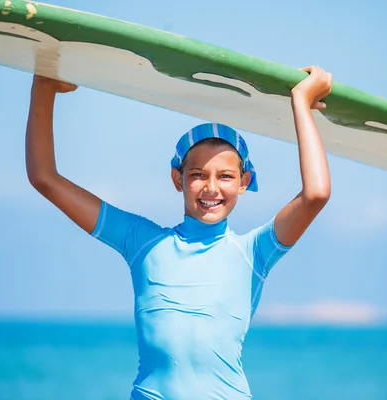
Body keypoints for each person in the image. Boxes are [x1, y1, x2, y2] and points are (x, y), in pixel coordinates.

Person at [26, 66, 332, 400]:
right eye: (198, 174)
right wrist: (43, 85)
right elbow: (45, 178)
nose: (211, 187)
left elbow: (315, 194)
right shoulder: (141, 241)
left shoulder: (254, 251)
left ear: (244, 182)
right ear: (178, 179)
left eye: (226, 176)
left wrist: (301, 103)